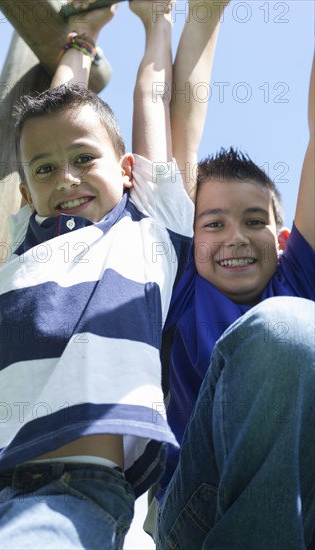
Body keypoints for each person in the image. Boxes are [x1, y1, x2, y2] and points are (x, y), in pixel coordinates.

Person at [0, 2, 194, 549]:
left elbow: (147, 102)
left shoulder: (146, 227)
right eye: (45, 170)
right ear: (25, 193)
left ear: (128, 171)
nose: (66, 177)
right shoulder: (28, 238)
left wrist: (157, 22)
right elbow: (49, 118)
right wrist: (80, 39)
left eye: (85, 159)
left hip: (71, 490)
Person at [155, 39, 315, 550]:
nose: (235, 238)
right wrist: (207, 16)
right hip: (198, 504)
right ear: (190, 234)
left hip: (299, 497)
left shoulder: (294, 281)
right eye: (213, 223)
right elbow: (181, 140)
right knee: (286, 329)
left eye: (253, 221)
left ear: (283, 238)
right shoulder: (184, 287)